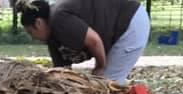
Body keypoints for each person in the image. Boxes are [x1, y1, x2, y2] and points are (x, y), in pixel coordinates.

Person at [18, 0, 150, 84]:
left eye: (30, 32)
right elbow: (63, 72)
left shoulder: (58, 18)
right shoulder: (52, 38)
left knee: (107, 84)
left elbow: (94, 41)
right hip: (119, 28)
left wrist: (100, 66)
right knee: (99, 84)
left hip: (129, 22)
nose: (32, 37)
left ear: (39, 23)